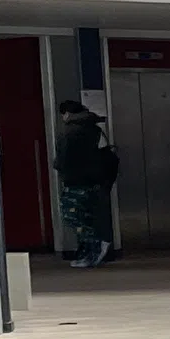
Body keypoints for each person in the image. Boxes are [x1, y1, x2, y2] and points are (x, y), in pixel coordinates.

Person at [54, 100, 119, 268]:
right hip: (96, 181)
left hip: (76, 180)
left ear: (66, 114)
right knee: (89, 217)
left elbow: (61, 160)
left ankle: (94, 249)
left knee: (74, 216)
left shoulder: (68, 132)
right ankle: (94, 249)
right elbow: (109, 155)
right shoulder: (96, 130)